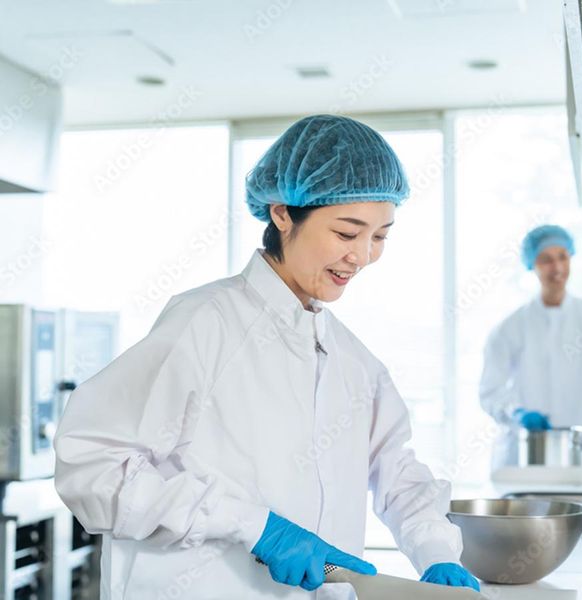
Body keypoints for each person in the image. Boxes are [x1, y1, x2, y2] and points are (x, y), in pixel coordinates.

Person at [54, 115, 479, 599]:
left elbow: (396, 471)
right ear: (282, 214)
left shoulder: (353, 361)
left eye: (380, 236)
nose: (362, 256)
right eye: (347, 233)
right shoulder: (206, 323)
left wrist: (436, 551)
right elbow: (93, 465)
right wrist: (253, 525)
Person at [479, 225, 582, 468]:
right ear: (532, 265)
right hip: (524, 455)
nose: (557, 267)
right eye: (546, 260)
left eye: (562, 257)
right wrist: (516, 413)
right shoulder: (510, 328)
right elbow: (491, 390)